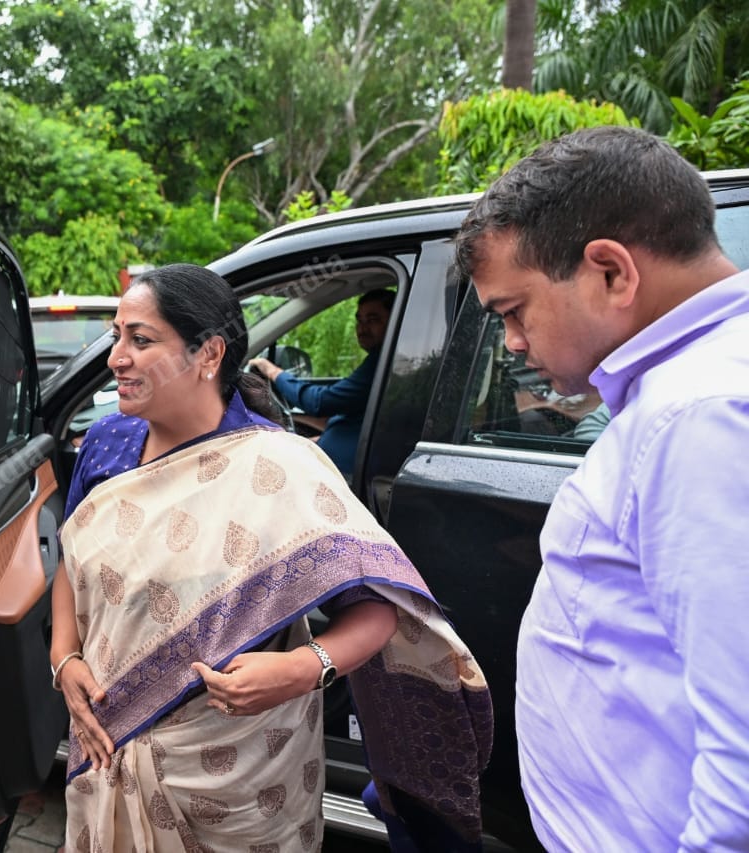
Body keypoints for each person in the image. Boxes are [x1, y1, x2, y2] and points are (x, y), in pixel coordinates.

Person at [53, 264, 492, 850]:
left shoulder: (280, 468)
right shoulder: (107, 444)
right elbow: (72, 561)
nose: (117, 358)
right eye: (116, 337)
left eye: (141, 339)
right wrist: (65, 659)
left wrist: (302, 669)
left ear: (207, 354)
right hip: (109, 739)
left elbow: (380, 611)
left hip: (239, 776)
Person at [455, 126, 749, 851]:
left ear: (611, 272)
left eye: (513, 311)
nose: (513, 343)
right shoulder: (690, 394)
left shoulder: (700, 416)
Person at [248, 289, 394, 476]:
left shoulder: (383, 362)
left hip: (347, 475)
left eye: (373, 320)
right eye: (360, 320)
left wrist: (273, 371)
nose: (362, 328)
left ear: (394, 323)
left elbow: (319, 402)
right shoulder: (383, 361)